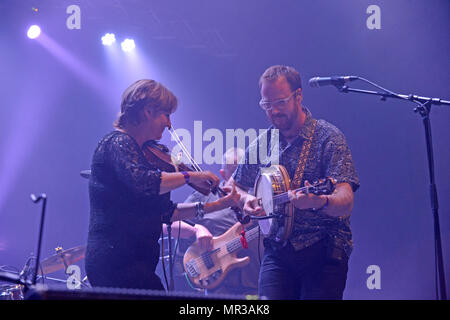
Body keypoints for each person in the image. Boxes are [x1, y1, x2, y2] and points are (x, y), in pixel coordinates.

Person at [85, 79, 239, 290]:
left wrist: (218, 204)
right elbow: (146, 181)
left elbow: (167, 213)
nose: (169, 124)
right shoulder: (117, 143)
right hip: (115, 259)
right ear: (148, 111)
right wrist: (192, 175)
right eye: (166, 115)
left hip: (135, 261)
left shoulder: (139, 153)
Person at [232, 65, 360, 300]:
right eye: (267, 105)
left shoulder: (328, 138)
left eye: (280, 102)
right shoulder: (263, 142)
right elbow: (234, 188)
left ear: (298, 96)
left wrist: (319, 201)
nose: (273, 111)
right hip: (278, 252)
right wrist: (246, 199)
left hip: (323, 250)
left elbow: (346, 200)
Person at [184, 148, 261, 296]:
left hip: (253, 283)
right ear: (223, 174)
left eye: (244, 172)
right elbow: (169, 223)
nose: (239, 177)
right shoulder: (204, 196)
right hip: (217, 283)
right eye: (234, 172)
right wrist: (197, 229)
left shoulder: (257, 200)